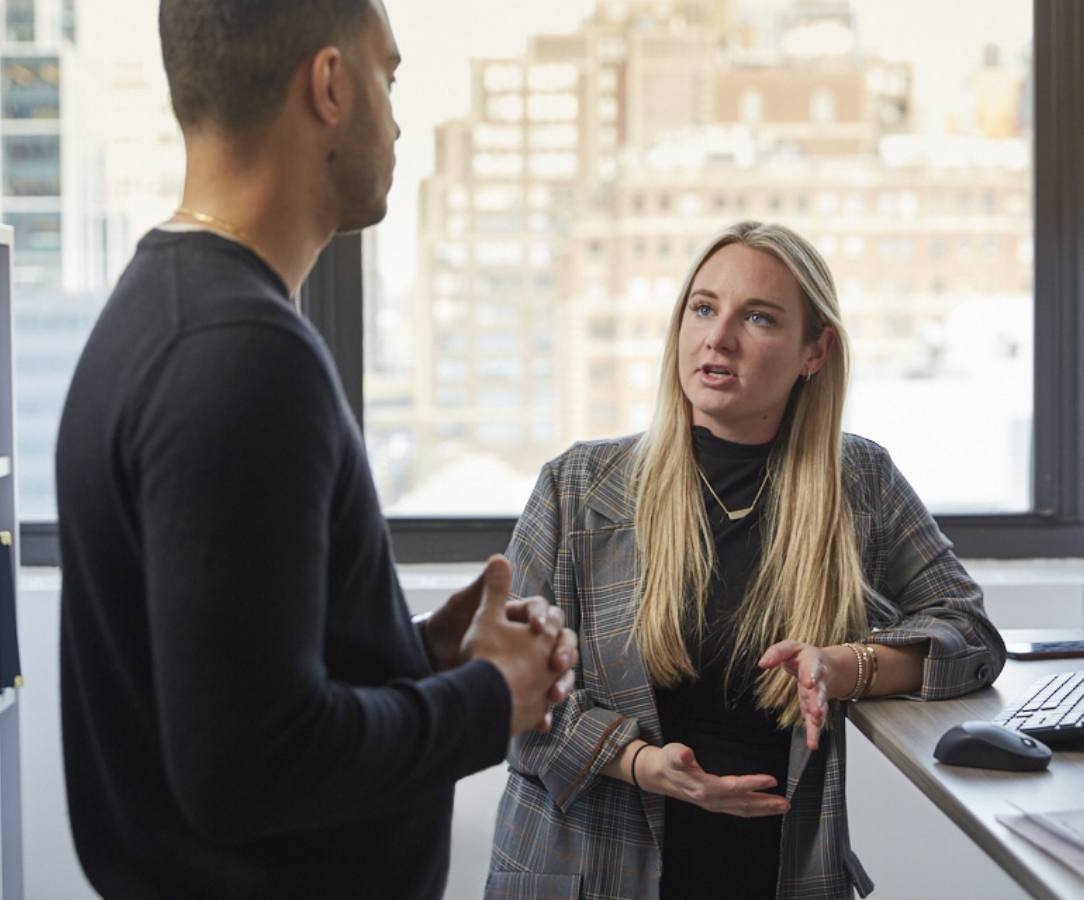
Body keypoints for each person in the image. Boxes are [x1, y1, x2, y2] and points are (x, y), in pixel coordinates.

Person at [55, 2, 577, 899]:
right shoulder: (239, 355)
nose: (399, 113)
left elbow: (235, 677)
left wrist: (419, 654)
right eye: (390, 74)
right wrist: (491, 698)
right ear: (330, 84)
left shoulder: (167, 311)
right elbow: (247, 766)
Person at [485, 221, 1006, 900]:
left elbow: (971, 634)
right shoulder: (578, 486)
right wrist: (643, 764)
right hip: (586, 872)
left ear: (814, 352)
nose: (718, 338)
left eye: (757, 317)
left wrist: (845, 667)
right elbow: (503, 691)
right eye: (703, 308)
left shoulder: (860, 482)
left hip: (778, 873)